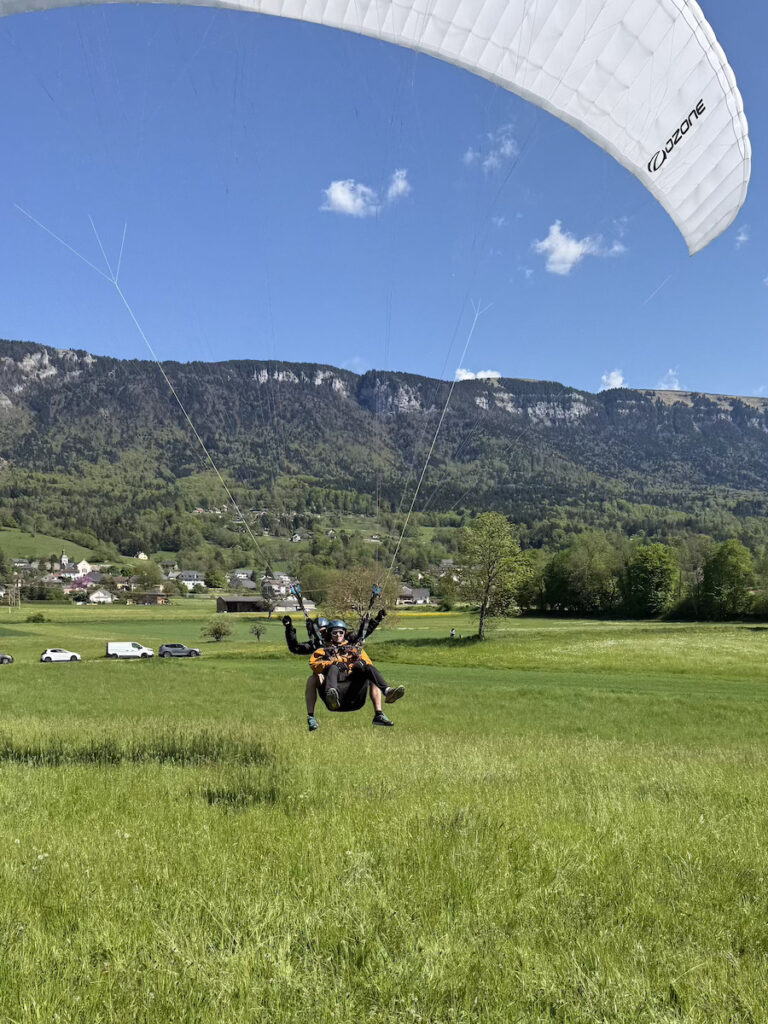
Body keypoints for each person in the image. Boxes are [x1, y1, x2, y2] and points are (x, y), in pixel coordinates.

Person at [306, 620, 404, 730]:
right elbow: (313, 664)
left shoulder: (355, 649)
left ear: (344, 633)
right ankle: (315, 712)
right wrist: (332, 663)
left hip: (354, 693)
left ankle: (385, 697)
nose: (338, 635)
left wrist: (359, 663)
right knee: (315, 677)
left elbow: (369, 664)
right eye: (334, 633)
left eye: (340, 632)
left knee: (369, 669)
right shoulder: (323, 650)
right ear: (330, 634)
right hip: (335, 688)